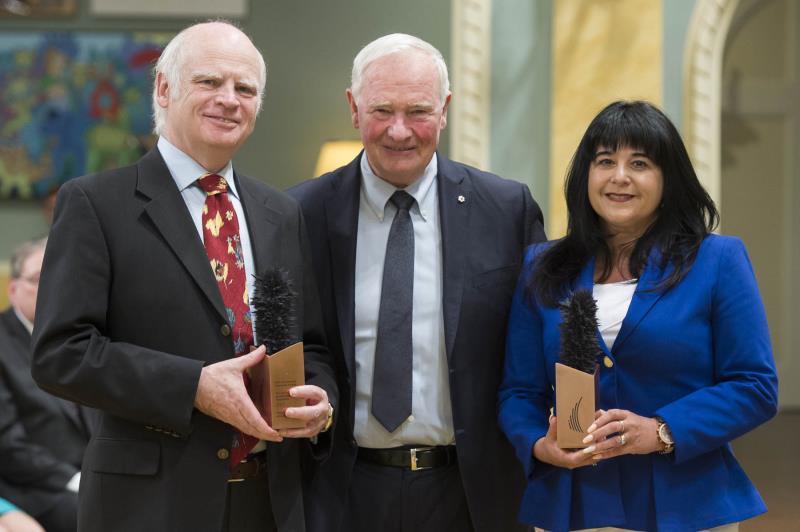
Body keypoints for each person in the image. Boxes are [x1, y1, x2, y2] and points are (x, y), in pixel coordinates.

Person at [31, 21, 337, 532]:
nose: (229, 100)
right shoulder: (95, 203)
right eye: (209, 82)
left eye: (245, 89)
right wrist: (191, 386)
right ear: (164, 88)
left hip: (273, 501)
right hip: (150, 506)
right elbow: (60, 353)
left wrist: (321, 403)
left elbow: (314, 347)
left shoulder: (281, 212)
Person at [289, 33, 546, 532]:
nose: (400, 131)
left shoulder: (506, 209)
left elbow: (534, 347)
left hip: (472, 495)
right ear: (353, 108)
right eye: (382, 109)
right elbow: (296, 340)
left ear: (445, 110)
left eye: (419, 111)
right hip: (339, 491)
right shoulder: (300, 212)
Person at [498, 100, 778, 532]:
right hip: (573, 504)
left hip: (688, 504)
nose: (619, 177)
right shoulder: (543, 265)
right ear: (586, 176)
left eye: (640, 163)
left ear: (668, 180)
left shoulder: (717, 259)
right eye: (605, 161)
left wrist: (662, 429)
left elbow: (755, 386)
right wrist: (538, 443)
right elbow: (519, 390)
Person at [0, 238, 94, 532]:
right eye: (40, 278)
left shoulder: (80, 336)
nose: (53, 287)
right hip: (31, 483)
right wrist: (74, 479)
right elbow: (7, 444)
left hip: (93, 471)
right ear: (13, 290)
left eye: (59, 277)